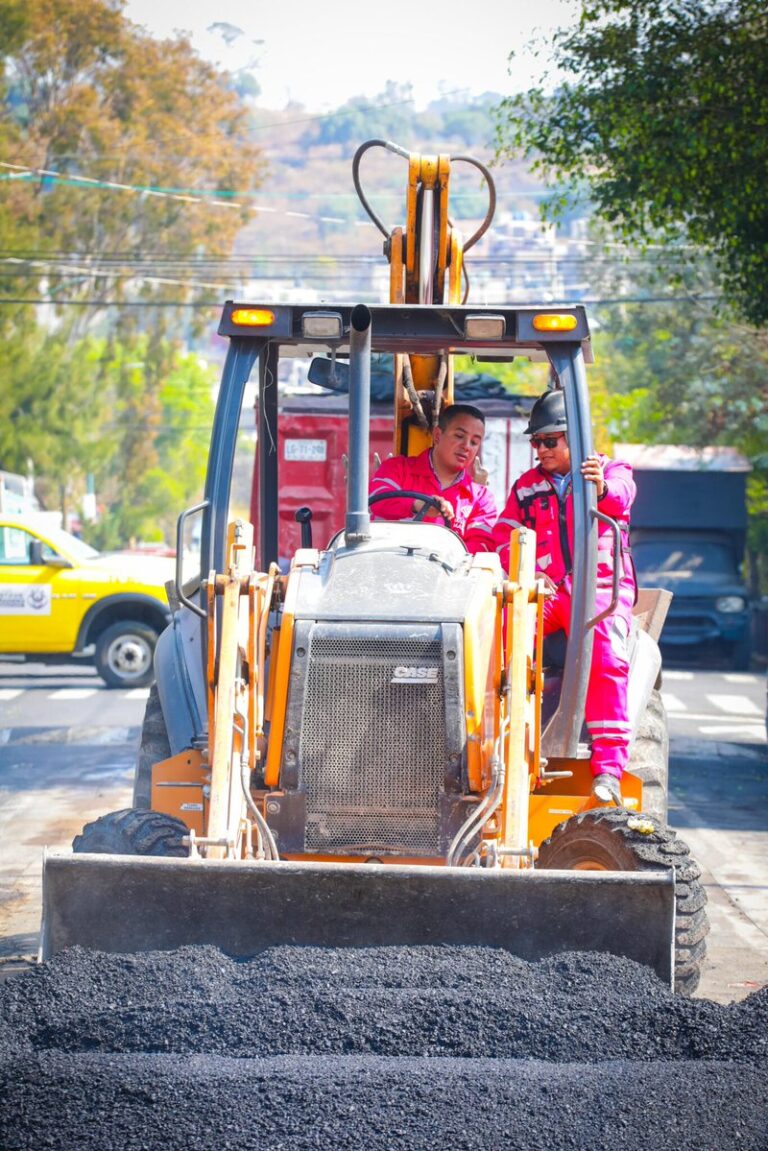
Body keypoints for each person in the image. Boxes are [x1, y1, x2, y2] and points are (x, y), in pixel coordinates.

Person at [491, 389, 637, 804]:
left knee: (606, 656)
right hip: (547, 592)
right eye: (535, 442)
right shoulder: (526, 487)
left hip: (599, 590)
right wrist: (531, 571)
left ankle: (608, 769)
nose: (540, 450)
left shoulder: (612, 472)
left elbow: (620, 498)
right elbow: (503, 536)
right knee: (497, 643)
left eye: (548, 441)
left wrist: (600, 485)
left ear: (575, 437)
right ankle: (494, 749)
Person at [369, 403, 497, 553]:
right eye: (459, 436)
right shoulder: (396, 469)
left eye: (474, 442)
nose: (467, 446)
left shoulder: (481, 499)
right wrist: (418, 505)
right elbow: (377, 500)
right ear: (437, 436)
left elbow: (481, 546)